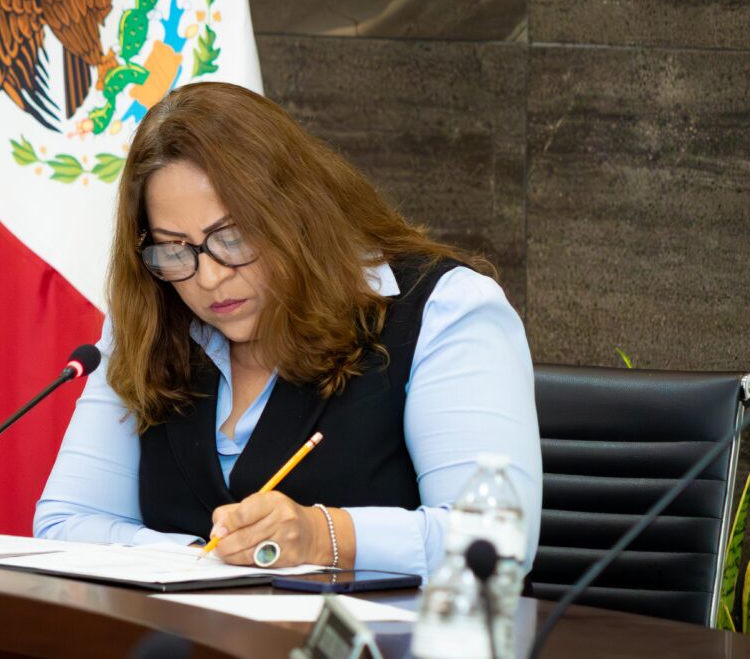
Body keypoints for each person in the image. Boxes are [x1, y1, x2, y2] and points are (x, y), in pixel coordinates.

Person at [35, 82, 541, 578]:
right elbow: (65, 524)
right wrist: (200, 558)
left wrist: (323, 536)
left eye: (231, 237)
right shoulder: (151, 320)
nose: (209, 278)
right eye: (174, 250)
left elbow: (497, 542)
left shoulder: (442, 307)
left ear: (296, 213)